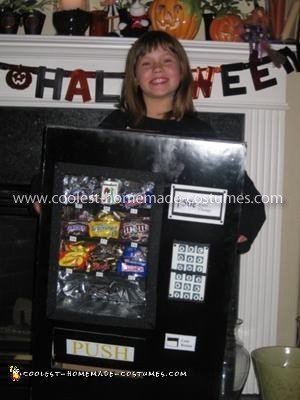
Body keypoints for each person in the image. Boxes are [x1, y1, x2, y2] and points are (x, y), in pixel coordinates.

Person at [32, 30, 265, 253]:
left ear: (182, 71)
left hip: (176, 248)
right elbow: (72, 167)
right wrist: (42, 189)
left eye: (167, 60)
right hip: (122, 250)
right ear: (135, 77)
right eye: (146, 63)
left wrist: (243, 226)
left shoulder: (200, 132)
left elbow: (244, 194)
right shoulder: (117, 124)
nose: (157, 68)